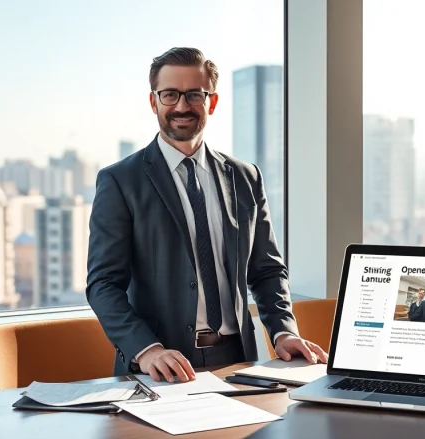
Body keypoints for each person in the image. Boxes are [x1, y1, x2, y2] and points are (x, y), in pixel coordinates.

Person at [86, 47, 327, 382]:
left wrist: (283, 333)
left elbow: (267, 270)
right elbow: (103, 284)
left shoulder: (246, 177)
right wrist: (147, 349)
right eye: (170, 94)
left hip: (239, 359)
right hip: (160, 365)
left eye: (194, 95)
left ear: (211, 102)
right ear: (154, 101)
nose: (182, 106)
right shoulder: (120, 180)